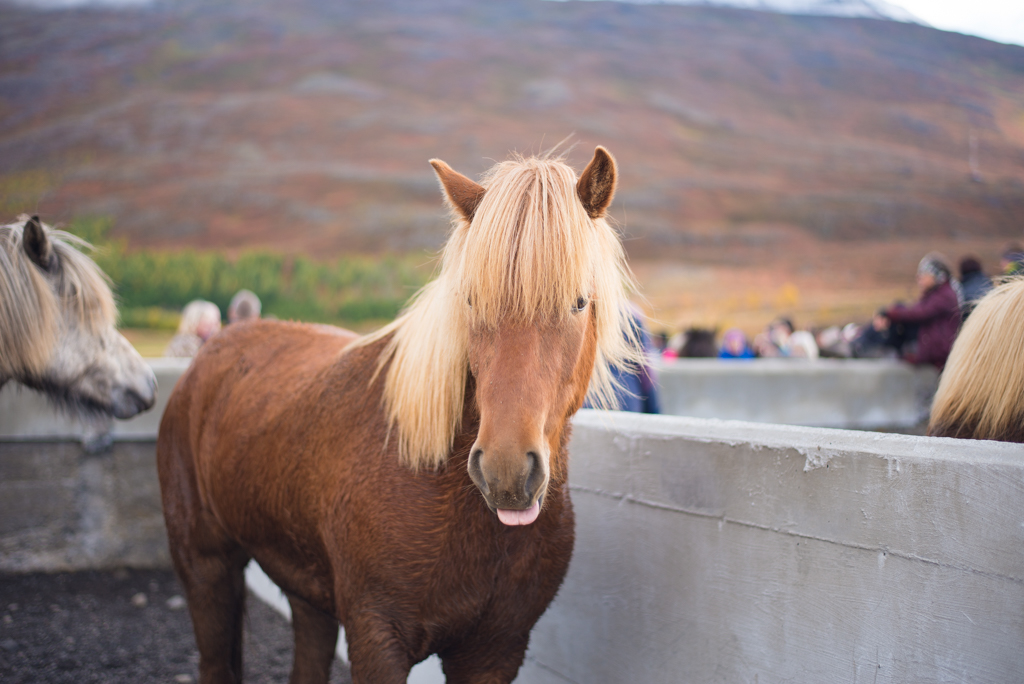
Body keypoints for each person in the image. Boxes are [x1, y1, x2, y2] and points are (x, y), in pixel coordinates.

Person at [873, 253, 960, 370]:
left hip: (938, 354)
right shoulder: (937, 293)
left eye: (923, 275)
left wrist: (890, 313)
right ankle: (872, 346)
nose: (919, 278)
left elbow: (919, 313)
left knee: (898, 314)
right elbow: (915, 310)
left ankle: (865, 346)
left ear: (936, 276)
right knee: (898, 310)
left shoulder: (944, 295)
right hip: (935, 349)